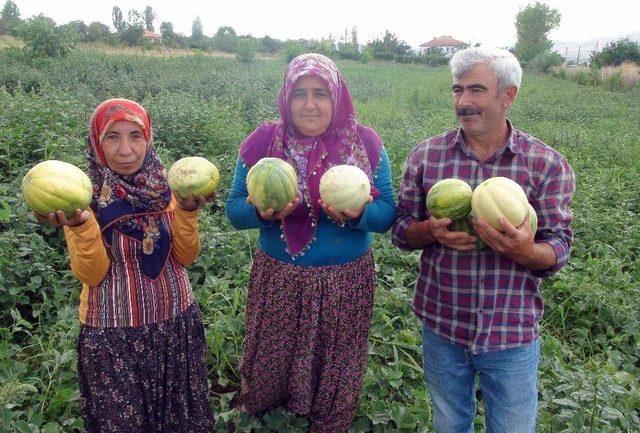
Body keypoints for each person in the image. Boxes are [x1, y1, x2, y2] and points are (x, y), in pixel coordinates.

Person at [392, 47, 575, 433]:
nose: (464, 101)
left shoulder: (546, 164)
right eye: (458, 90)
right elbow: (401, 230)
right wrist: (429, 231)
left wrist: (526, 251)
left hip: (511, 330)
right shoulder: (427, 156)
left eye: (477, 90)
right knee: (449, 423)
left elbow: (558, 248)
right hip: (442, 325)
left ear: (508, 95)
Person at [226, 53, 396, 432]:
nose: (310, 104)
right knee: (273, 355)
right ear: (286, 97)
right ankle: (268, 414)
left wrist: (359, 217)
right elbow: (234, 208)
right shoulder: (263, 142)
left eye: (320, 93)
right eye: (300, 93)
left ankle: (326, 418)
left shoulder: (364, 142)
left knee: (335, 357)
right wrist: (261, 214)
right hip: (279, 278)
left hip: (345, 281)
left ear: (336, 97)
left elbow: (386, 213)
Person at [33, 98, 215, 433]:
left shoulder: (167, 189)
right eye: (112, 137)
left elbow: (186, 256)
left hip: (174, 325)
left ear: (148, 139)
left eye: (135, 136)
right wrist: (81, 225)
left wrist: (187, 214)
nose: (126, 150)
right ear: (97, 143)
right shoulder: (79, 198)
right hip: (112, 337)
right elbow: (91, 274)